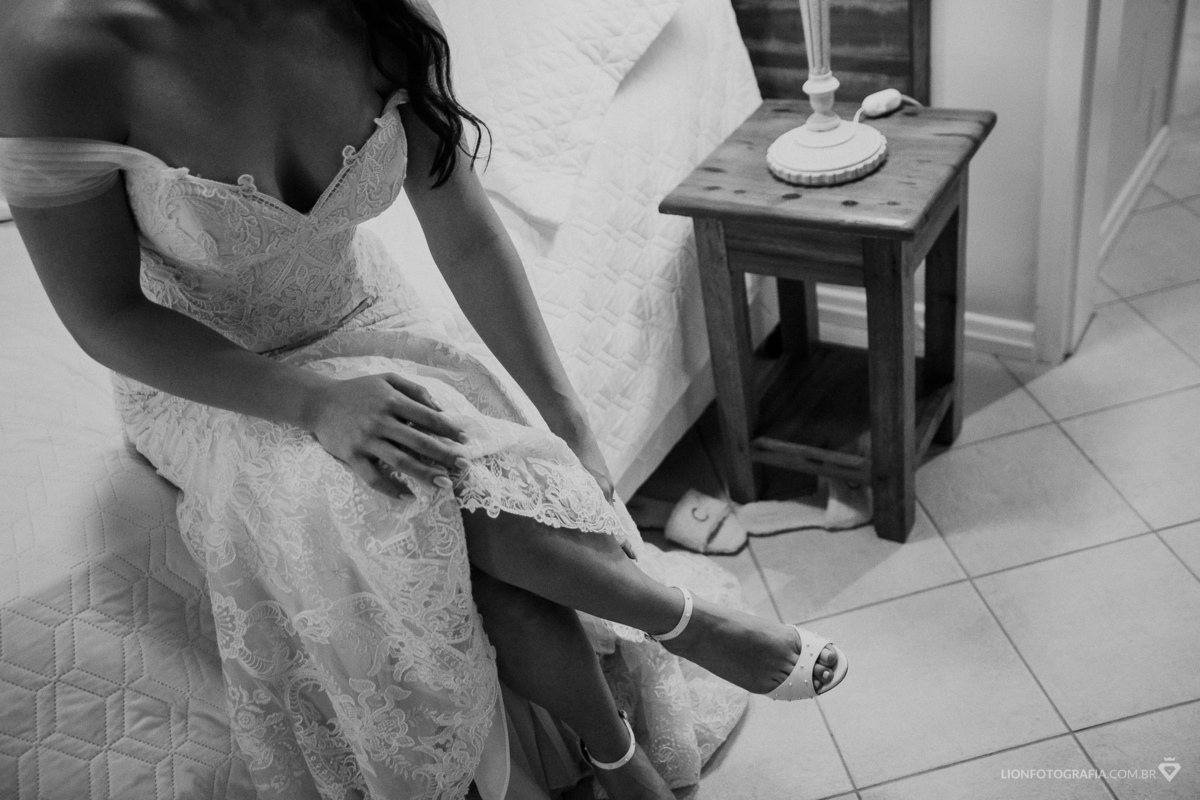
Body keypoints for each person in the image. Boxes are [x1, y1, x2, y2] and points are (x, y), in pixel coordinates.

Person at [0, 1, 848, 798]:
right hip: (208, 372)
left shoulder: (377, 11)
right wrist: (313, 403)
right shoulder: (61, 49)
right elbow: (104, 315)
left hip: (360, 310)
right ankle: (688, 624)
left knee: (458, 485)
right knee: (397, 490)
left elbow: (466, 232)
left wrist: (569, 422)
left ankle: (620, 764)